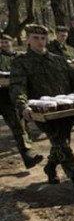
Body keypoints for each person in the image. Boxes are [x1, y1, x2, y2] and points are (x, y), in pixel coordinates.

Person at [11, 24, 74, 199]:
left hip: (65, 111)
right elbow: (18, 87)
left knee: (61, 143)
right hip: (44, 113)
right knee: (62, 144)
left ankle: (50, 167)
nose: (40, 42)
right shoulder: (21, 62)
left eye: (43, 38)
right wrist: (22, 106)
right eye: (35, 38)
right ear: (28, 39)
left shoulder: (59, 60)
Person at [0, 33, 42, 168]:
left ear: (11, 43)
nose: (4, 45)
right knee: (18, 125)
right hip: (3, 96)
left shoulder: (20, 57)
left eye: (6, 42)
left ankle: (27, 155)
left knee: (21, 124)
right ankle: (27, 155)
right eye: (1, 42)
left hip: (17, 96)